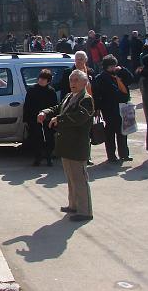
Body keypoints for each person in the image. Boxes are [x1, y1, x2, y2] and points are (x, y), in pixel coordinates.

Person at [38, 69, 95, 221]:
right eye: (71, 80)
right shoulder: (69, 96)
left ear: (84, 83)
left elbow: (79, 117)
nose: (73, 83)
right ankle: (73, 205)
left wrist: (59, 119)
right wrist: (45, 112)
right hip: (66, 144)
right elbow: (58, 108)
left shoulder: (86, 99)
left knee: (80, 179)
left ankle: (85, 211)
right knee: (70, 178)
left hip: (77, 145)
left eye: (76, 80)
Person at [92, 55, 133, 164]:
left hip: (122, 107)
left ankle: (124, 154)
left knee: (123, 132)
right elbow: (98, 94)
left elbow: (131, 79)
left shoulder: (119, 74)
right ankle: (111, 155)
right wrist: (97, 108)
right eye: (112, 66)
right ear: (106, 67)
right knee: (110, 133)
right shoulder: (101, 78)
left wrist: (123, 70)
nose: (114, 68)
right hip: (109, 108)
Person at [23, 69, 58, 166]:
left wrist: (54, 119)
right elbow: (27, 106)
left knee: (49, 139)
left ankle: (49, 157)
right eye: (40, 78)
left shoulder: (51, 91)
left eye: (44, 79)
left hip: (47, 119)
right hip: (34, 119)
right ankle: (37, 158)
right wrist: (26, 120)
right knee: (36, 138)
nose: (41, 80)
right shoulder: (32, 90)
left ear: (48, 81)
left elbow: (55, 106)